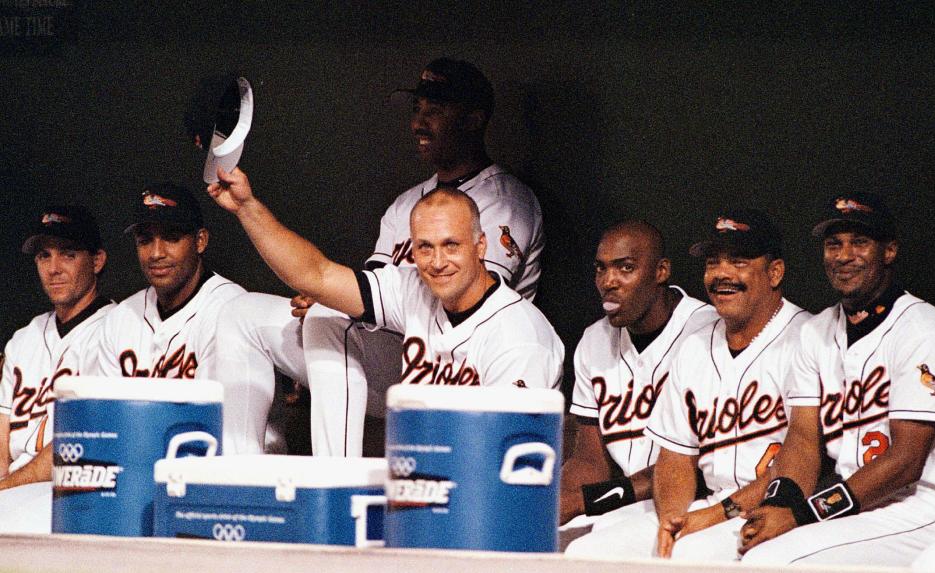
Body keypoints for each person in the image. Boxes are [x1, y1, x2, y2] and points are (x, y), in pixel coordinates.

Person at [213, 58, 545, 456]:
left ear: (473, 120)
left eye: (435, 111)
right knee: (242, 313)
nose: (419, 123)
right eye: (418, 109)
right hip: (405, 362)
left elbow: (469, 299)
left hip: (473, 374)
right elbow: (340, 281)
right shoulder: (407, 206)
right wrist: (248, 209)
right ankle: (245, 473)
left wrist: (330, 304)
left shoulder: (506, 203)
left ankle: (335, 482)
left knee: (329, 315)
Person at [566, 208, 809, 561]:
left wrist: (708, 517)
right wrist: (672, 523)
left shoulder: (809, 338)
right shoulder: (697, 344)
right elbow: (675, 458)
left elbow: (804, 460)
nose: (722, 274)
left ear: (775, 272)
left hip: (777, 506)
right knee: (585, 552)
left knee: (689, 554)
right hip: (708, 503)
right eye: (713, 263)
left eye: (738, 262)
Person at [208, 171, 562, 403]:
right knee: (323, 313)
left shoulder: (520, 337)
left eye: (451, 245)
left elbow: (498, 459)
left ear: (481, 246)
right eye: (425, 247)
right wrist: (246, 208)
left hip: (490, 497)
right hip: (425, 475)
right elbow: (316, 276)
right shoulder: (414, 290)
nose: (438, 262)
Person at [739, 193, 935, 567]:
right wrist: (780, 504)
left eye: (859, 242)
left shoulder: (925, 331)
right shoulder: (816, 332)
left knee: (777, 560)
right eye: (833, 244)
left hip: (924, 503)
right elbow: (804, 439)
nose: (843, 256)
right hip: (853, 504)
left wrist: (801, 516)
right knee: (748, 545)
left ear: (889, 251)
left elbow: (906, 460)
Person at [560, 220, 716, 533]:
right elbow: (591, 460)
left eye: (625, 268)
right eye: (601, 269)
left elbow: (698, 465)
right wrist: (555, 500)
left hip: (691, 500)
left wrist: (582, 502)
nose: (609, 281)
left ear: (661, 271)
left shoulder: (708, 333)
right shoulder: (594, 340)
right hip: (619, 503)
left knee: (590, 550)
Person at [0, 206, 113, 533]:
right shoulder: (24, 338)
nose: (54, 268)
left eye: (68, 255)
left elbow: (82, 440)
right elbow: (3, 426)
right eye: (43, 256)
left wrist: (7, 487)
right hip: (14, 491)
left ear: (97, 260)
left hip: (72, 490)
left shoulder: (117, 331)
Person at [94, 183, 245, 381]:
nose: (156, 253)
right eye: (145, 240)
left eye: (171, 238)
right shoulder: (120, 318)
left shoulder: (231, 311)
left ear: (200, 241)